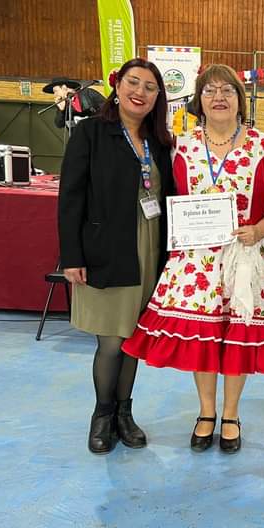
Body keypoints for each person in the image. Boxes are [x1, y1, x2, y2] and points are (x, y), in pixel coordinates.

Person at [122, 64, 264, 454]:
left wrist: (260, 229)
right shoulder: (182, 145)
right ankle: (205, 412)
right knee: (205, 339)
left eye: (227, 90)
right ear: (199, 101)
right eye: (210, 91)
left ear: (240, 100)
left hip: (249, 254)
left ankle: (231, 413)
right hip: (196, 262)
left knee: (239, 338)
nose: (219, 97)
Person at [58, 58, 174, 454]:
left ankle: (125, 414)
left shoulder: (160, 142)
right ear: (118, 86)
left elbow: (170, 198)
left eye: (150, 87)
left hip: (149, 249)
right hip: (106, 250)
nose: (139, 92)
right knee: (110, 342)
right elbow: (70, 197)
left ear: (158, 97)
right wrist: (71, 255)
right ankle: (102, 415)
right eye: (133, 82)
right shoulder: (90, 133)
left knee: (133, 340)